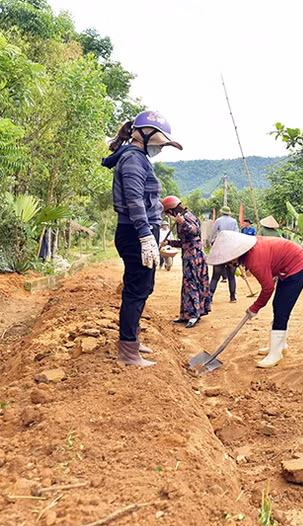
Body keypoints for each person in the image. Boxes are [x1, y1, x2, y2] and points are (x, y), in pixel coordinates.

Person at [101, 110, 182, 366]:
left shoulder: (138, 158)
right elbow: (135, 200)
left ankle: (132, 338)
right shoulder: (133, 160)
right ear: (145, 136)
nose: (160, 149)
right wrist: (146, 236)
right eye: (160, 144)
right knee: (137, 289)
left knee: (143, 286)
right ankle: (128, 350)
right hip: (136, 231)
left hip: (140, 230)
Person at [207, 231, 303, 368]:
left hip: (298, 267)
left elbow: (268, 288)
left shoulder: (255, 260)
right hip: (288, 264)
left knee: (281, 309)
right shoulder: (251, 251)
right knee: (278, 306)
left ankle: (275, 354)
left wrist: (255, 307)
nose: (228, 263)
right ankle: (279, 346)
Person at [161, 196, 211, 328]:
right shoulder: (179, 219)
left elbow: (195, 231)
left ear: (172, 210)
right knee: (187, 285)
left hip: (195, 257)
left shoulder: (187, 217)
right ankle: (186, 314)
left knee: (192, 283)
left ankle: (194, 315)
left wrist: (182, 222)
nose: (167, 216)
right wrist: (168, 242)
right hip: (187, 256)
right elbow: (184, 242)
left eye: (167, 213)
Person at [207, 205, 239, 302]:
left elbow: (212, 233)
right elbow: (237, 234)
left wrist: (211, 242)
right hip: (230, 250)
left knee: (215, 276)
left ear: (221, 212)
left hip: (220, 249)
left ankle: (210, 297)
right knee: (231, 276)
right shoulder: (234, 221)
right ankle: (232, 297)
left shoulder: (218, 220)